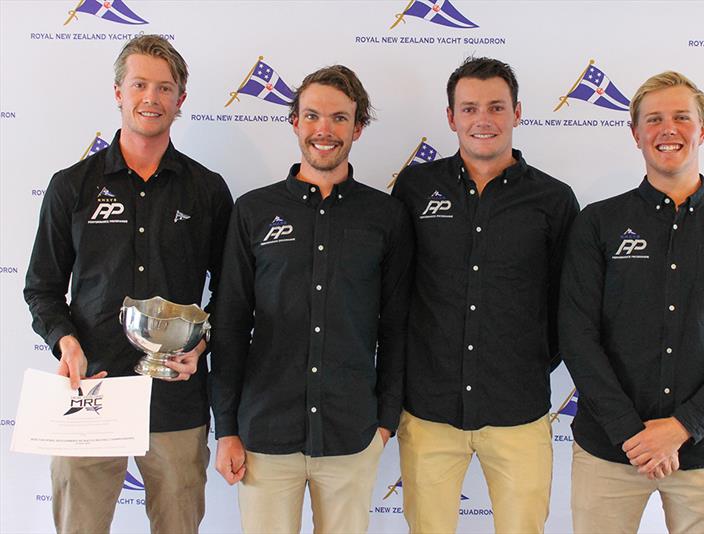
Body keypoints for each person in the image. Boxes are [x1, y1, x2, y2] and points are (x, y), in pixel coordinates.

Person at [23, 35, 233, 534]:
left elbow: (234, 294)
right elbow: (42, 287)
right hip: (90, 388)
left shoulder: (207, 190)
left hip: (176, 397)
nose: (151, 98)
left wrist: (201, 344)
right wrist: (65, 342)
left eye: (165, 87)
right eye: (139, 84)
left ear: (181, 100)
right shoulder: (71, 186)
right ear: (118, 91)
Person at [559, 71, 704, 534]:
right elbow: (577, 335)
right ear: (635, 132)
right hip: (611, 450)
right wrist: (631, 433)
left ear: (703, 128)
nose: (668, 129)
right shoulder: (598, 224)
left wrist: (681, 428)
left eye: (682, 116)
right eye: (654, 119)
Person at [211, 65, 413, 534]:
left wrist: (384, 422)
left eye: (339, 118)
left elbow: (397, 326)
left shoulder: (386, 218)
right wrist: (226, 428)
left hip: (352, 434)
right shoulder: (254, 212)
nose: (325, 129)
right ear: (295, 122)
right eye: (313, 116)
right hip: (264, 434)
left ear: (358, 127)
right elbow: (230, 323)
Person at [391, 57, 579, 534]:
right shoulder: (415, 188)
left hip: (518, 412)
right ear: (451, 117)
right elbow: (395, 290)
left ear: (517, 112)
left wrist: (528, 359)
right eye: (469, 108)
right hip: (429, 411)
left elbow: (566, 304)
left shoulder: (554, 200)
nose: (483, 120)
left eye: (496, 107)